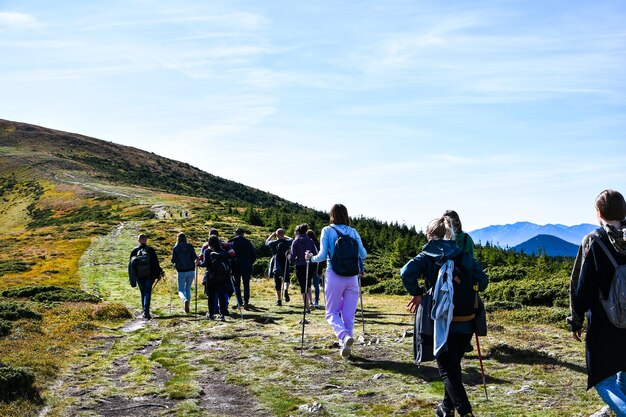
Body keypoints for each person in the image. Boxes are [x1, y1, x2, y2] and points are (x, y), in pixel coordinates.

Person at [401, 216, 488, 417]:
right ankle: (446, 409)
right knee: (453, 367)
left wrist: (417, 292)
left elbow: (405, 273)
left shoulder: (427, 256)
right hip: (466, 321)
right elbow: (483, 282)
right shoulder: (464, 256)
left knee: (448, 370)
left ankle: (466, 413)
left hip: (442, 322)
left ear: (430, 236)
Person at [569, 190, 626, 416]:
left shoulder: (593, 241)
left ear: (599, 213)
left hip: (604, 325)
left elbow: (582, 287)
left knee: (603, 381)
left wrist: (576, 320)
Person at [306, 203, 367, 358]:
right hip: (352, 278)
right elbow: (364, 254)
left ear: (331, 215)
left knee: (331, 312)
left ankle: (344, 337)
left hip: (334, 275)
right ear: (346, 215)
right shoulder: (353, 231)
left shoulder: (327, 230)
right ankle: (346, 349)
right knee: (348, 315)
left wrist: (310, 258)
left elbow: (321, 255)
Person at [199, 235, 235, 321]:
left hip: (211, 276)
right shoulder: (223, 251)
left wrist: (198, 263)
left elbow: (206, 264)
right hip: (222, 277)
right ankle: (222, 315)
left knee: (211, 296)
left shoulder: (208, 251)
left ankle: (211, 314)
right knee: (221, 296)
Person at [129, 234, 164, 320]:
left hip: (139, 276)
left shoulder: (134, 251)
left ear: (138, 241)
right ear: (146, 240)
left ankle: (144, 310)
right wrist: (159, 272)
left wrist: (133, 278)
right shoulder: (150, 250)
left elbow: (131, 267)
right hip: (149, 276)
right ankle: (146, 311)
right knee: (147, 292)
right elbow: (156, 263)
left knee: (142, 292)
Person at [289, 224, 318, 314]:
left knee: (303, 286)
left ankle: (307, 307)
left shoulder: (296, 241)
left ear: (298, 231)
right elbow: (315, 253)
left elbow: (293, 257)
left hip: (300, 265)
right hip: (309, 265)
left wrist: (288, 256)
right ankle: (310, 302)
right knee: (308, 283)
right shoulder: (310, 241)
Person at [229, 227, 257, 309]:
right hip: (246, 267)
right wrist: (249, 263)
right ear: (243, 234)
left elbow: (230, 256)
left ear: (236, 233)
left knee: (236, 285)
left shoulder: (232, 242)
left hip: (236, 267)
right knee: (246, 285)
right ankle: (246, 302)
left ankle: (239, 302)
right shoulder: (248, 243)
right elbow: (254, 256)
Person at [171, 233, 198, 314]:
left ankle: (184, 300)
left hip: (181, 271)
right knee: (188, 289)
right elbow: (194, 257)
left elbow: (173, 260)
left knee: (181, 290)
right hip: (191, 270)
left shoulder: (176, 248)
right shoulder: (190, 246)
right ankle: (188, 306)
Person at [266, 228, 293, 306]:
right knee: (286, 278)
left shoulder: (273, 243)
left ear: (276, 235)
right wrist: (284, 237)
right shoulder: (287, 242)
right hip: (285, 262)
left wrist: (272, 235)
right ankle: (285, 290)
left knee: (277, 281)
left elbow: (266, 242)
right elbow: (291, 239)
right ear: (283, 234)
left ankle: (279, 300)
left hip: (276, 263)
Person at [306, 229, 323, 308]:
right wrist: (320, 269)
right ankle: (316, 301)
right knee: (316, 285)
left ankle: (310, 301)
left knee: (308, 284)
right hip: (316, 266)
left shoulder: (308, 243)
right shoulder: (318, 244)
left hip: (309, 266)